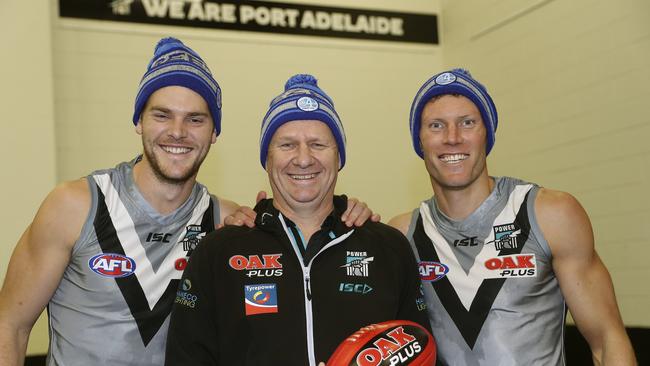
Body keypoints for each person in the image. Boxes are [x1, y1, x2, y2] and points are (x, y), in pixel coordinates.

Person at [0, 38, 375, 366]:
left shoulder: (226, 221)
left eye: (195, 119)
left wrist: (349, 216)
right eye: (162, 115)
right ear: (139, 122)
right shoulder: (75, 205)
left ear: (214, 133)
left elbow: (301, 224)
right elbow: (10, 326)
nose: (178, 132)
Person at [164, 74, 431, 366]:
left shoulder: (389, 248)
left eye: (318, 144)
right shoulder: (218, 250)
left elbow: (418, 350)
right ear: (266, 158)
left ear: (339, 156)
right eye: (287, 145)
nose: (303, 159)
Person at [388, 68, 637, 365]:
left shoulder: (549, 214)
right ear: (420, 140)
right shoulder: (403, 234)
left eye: (467, 123)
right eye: (436, 125)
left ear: (487, 134)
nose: (452, 138)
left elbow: (608, 341)